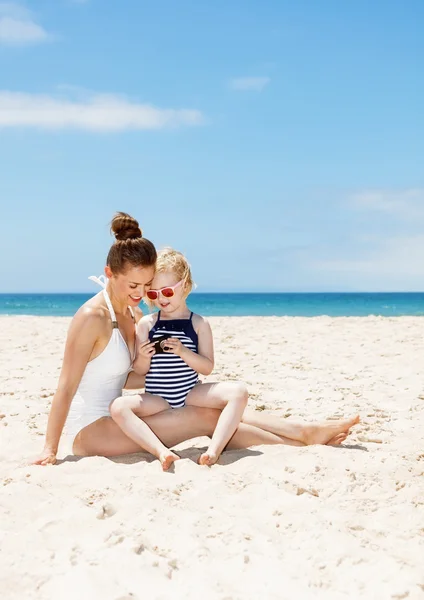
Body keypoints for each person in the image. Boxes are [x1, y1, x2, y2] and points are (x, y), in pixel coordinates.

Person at [33, 211, 359, 469]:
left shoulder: (132, 316)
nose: (139, 294)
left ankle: (303, 430)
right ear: (109, 273)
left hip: (129, 416)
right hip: (90, 430)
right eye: (131, 285)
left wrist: (161, 360)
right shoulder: (93, 317)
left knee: (210, 407)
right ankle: (300, 439)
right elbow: (65, 386)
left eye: (144, 286)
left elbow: (130, 378)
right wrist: (50, 449)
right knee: (204, 417)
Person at [109, 247, 248, 467]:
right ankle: (161, 452)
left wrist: (183, 352)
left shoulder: (198, 323)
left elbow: (207, 367)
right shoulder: (147, 324)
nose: (161, 299)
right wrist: (144, 357)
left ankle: (214, 450)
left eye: (167, 291)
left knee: (239, 392)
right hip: (158, 397)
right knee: (118, 407)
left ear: (185, 285)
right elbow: (140, 371)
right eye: (153, 293)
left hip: (190, 393)